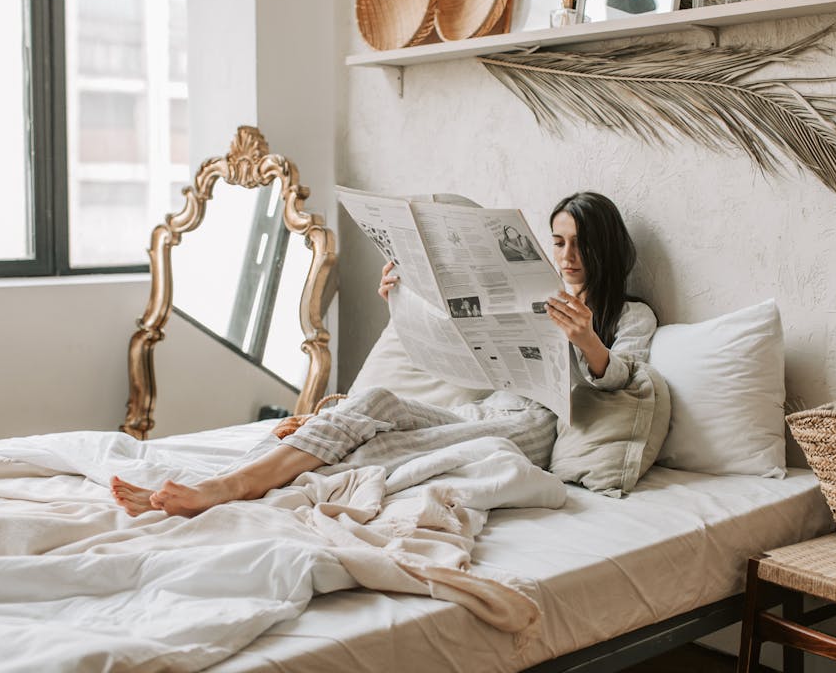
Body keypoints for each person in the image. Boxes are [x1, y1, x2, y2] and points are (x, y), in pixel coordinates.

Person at [111, 191, 657, 517]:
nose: (568, 255)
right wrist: (406, 293)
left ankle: (235, 489)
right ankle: (240, 474)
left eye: (579, 243)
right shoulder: (533, 292)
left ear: (605, 248)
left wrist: (588, 339)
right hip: (489, 409)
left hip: (538, 427)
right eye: (559, 241)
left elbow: (623, 379)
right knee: (378, 402)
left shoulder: (631, 315)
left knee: (404, 446)